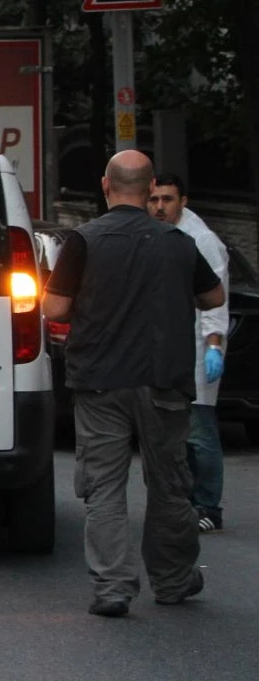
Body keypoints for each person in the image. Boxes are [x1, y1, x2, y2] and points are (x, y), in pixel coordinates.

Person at [43, 150, 226, 618]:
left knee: (103, 487)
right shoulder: (178, 242)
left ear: (105, 186)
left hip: (101, 380)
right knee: (169, 484)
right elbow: (214, 296)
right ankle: (172, 580)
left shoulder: (83, 241)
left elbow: (56, 310)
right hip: (164, 380)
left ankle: (112, 588)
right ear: (149, 191)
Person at [147, 173, 232, 532]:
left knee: (200, 434)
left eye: (167, 199)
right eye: (154, 200)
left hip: (197, 351)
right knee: (174, 436)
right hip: (165, 353)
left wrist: (214, 346)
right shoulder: (153, 236)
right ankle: (183, 503)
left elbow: (216, 301)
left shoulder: (203, 241)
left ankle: (209, 507)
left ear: (183, 201)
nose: (160, 207)